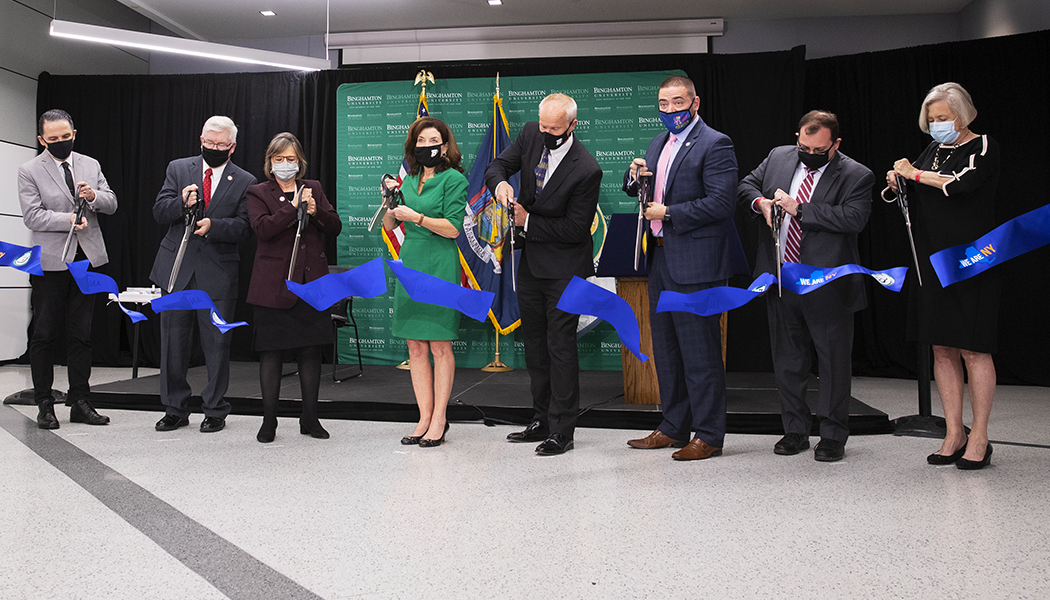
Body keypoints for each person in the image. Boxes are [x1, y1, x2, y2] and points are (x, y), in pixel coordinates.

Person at [622, 76, 748, 461]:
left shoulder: (716, 143)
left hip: (698, 261)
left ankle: (709, 434)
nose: (671, 110)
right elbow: (648, 193)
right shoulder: (658, 143)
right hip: (661, 257)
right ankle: (674, 426)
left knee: (701, 353)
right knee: (667, 350)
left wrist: (670, 213)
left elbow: (722, 203)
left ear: (695, 102)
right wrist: (634, 179)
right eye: (664, 103)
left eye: (678, 102)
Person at [739, 110, 874, 462]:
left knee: (832, 362)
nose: (808, 153)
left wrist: (802, 210)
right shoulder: (779, 156)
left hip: (826, 282)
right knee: (788, 360)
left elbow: (854, 218)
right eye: (803, 145)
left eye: (818, 149)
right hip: (781, 277)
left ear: (835, 145)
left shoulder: (857, 175)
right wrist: (761, 203)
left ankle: (832, 435)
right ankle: (795, 430)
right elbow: (746, 185)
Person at [885, 82, 1000, 470]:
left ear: (962, 114)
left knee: (973, 347)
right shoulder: (933, 149)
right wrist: (899, 179)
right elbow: (916, 178)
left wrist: (914, 174)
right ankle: (954, 432)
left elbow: (960, 185)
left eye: (943, 118)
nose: (937, 125)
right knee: (941, 347)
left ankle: (980, 435)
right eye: (932, 120)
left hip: (971, 259)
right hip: (931, 259)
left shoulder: (982, 145)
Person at [484, 93, 602, 456]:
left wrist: (527, 220)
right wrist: (500, 183)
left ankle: (562, 431)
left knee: (560, 347)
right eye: (544, 126)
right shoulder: (531, 134)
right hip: (532, 264)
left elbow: (576, 229)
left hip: (566, 268)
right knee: (535, 345)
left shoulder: (586, 168)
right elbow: (496, 166)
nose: (547, 133)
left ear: (572, 126)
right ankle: (541, 419)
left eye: (555, 129)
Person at [149, 116, 256, 434]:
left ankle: (215, 409)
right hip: (176, 268)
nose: (213, 148)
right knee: (173, 342)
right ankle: (174, 408)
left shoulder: (246, 180)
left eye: (221, 145)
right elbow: (159, 210)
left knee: (217, 343)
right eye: (209, 143)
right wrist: (182, 203)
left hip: (218, 272)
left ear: (232, 147)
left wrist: (215, 226)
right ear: (200, 140)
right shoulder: (178, 168)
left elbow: (246, 227)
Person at [17, 109, 117, 429]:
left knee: (82, 335)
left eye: (65, 137)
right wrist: (69, 220)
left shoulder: (90, 164)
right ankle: (45, 404)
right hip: (49, 262)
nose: (61, 142)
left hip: (85, 258)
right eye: (53, 139)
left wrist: (95, 196)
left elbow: (111, 202)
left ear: (74, 133)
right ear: (42, 139)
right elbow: (33, 217)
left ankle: (80, 401)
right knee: (44, 334)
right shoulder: (29, 169)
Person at [246, 132, 342, 443]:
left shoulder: (313, 187)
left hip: (311, 285)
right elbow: (263, 229)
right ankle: (269, 421)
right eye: (279, 159)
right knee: (272, 354)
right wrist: (292, 207)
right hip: (272, 286)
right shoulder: (257, 191)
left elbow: (334, 226)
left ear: (299, 162)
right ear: (270, 163)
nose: (285, 164)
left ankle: (310, 418)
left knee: (310, 352)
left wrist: (316, 212)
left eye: (291, 159)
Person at [383, 117, 468, 448]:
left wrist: (416, 217)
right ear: (413, 147)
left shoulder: (454, 179)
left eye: (433, 140)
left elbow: (452, 228)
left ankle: (440, 419)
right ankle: (423, 416)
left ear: (444, 146)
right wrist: (391, 200)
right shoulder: (410, 178)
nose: (426, 146)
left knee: (439, 345)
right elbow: (390, 224)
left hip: (439, 264)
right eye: (420, 141)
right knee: (415, 346)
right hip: (411, 262)